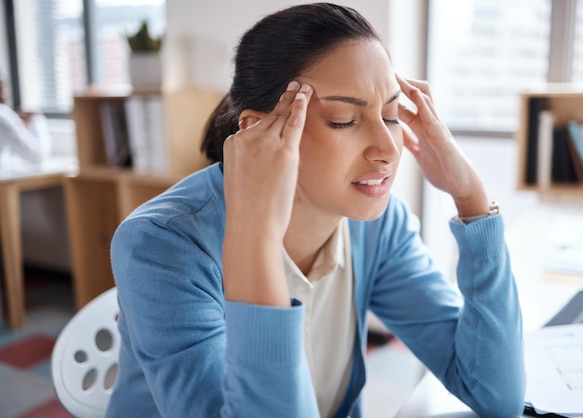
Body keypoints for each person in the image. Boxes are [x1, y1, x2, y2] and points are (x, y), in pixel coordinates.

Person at [107, 3, 525, 417]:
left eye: (392, 115)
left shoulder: (377, 226)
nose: (387, 149)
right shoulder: (161, 246)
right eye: (344, 119)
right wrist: (254, 236)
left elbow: (494, 392)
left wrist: (471, 197)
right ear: (258, 131)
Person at [0, 71, 51, 167]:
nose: (9, 89)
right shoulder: (3, 115)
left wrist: (21, 125)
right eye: (5, 85)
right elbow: (37, 156)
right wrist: (37, 120)